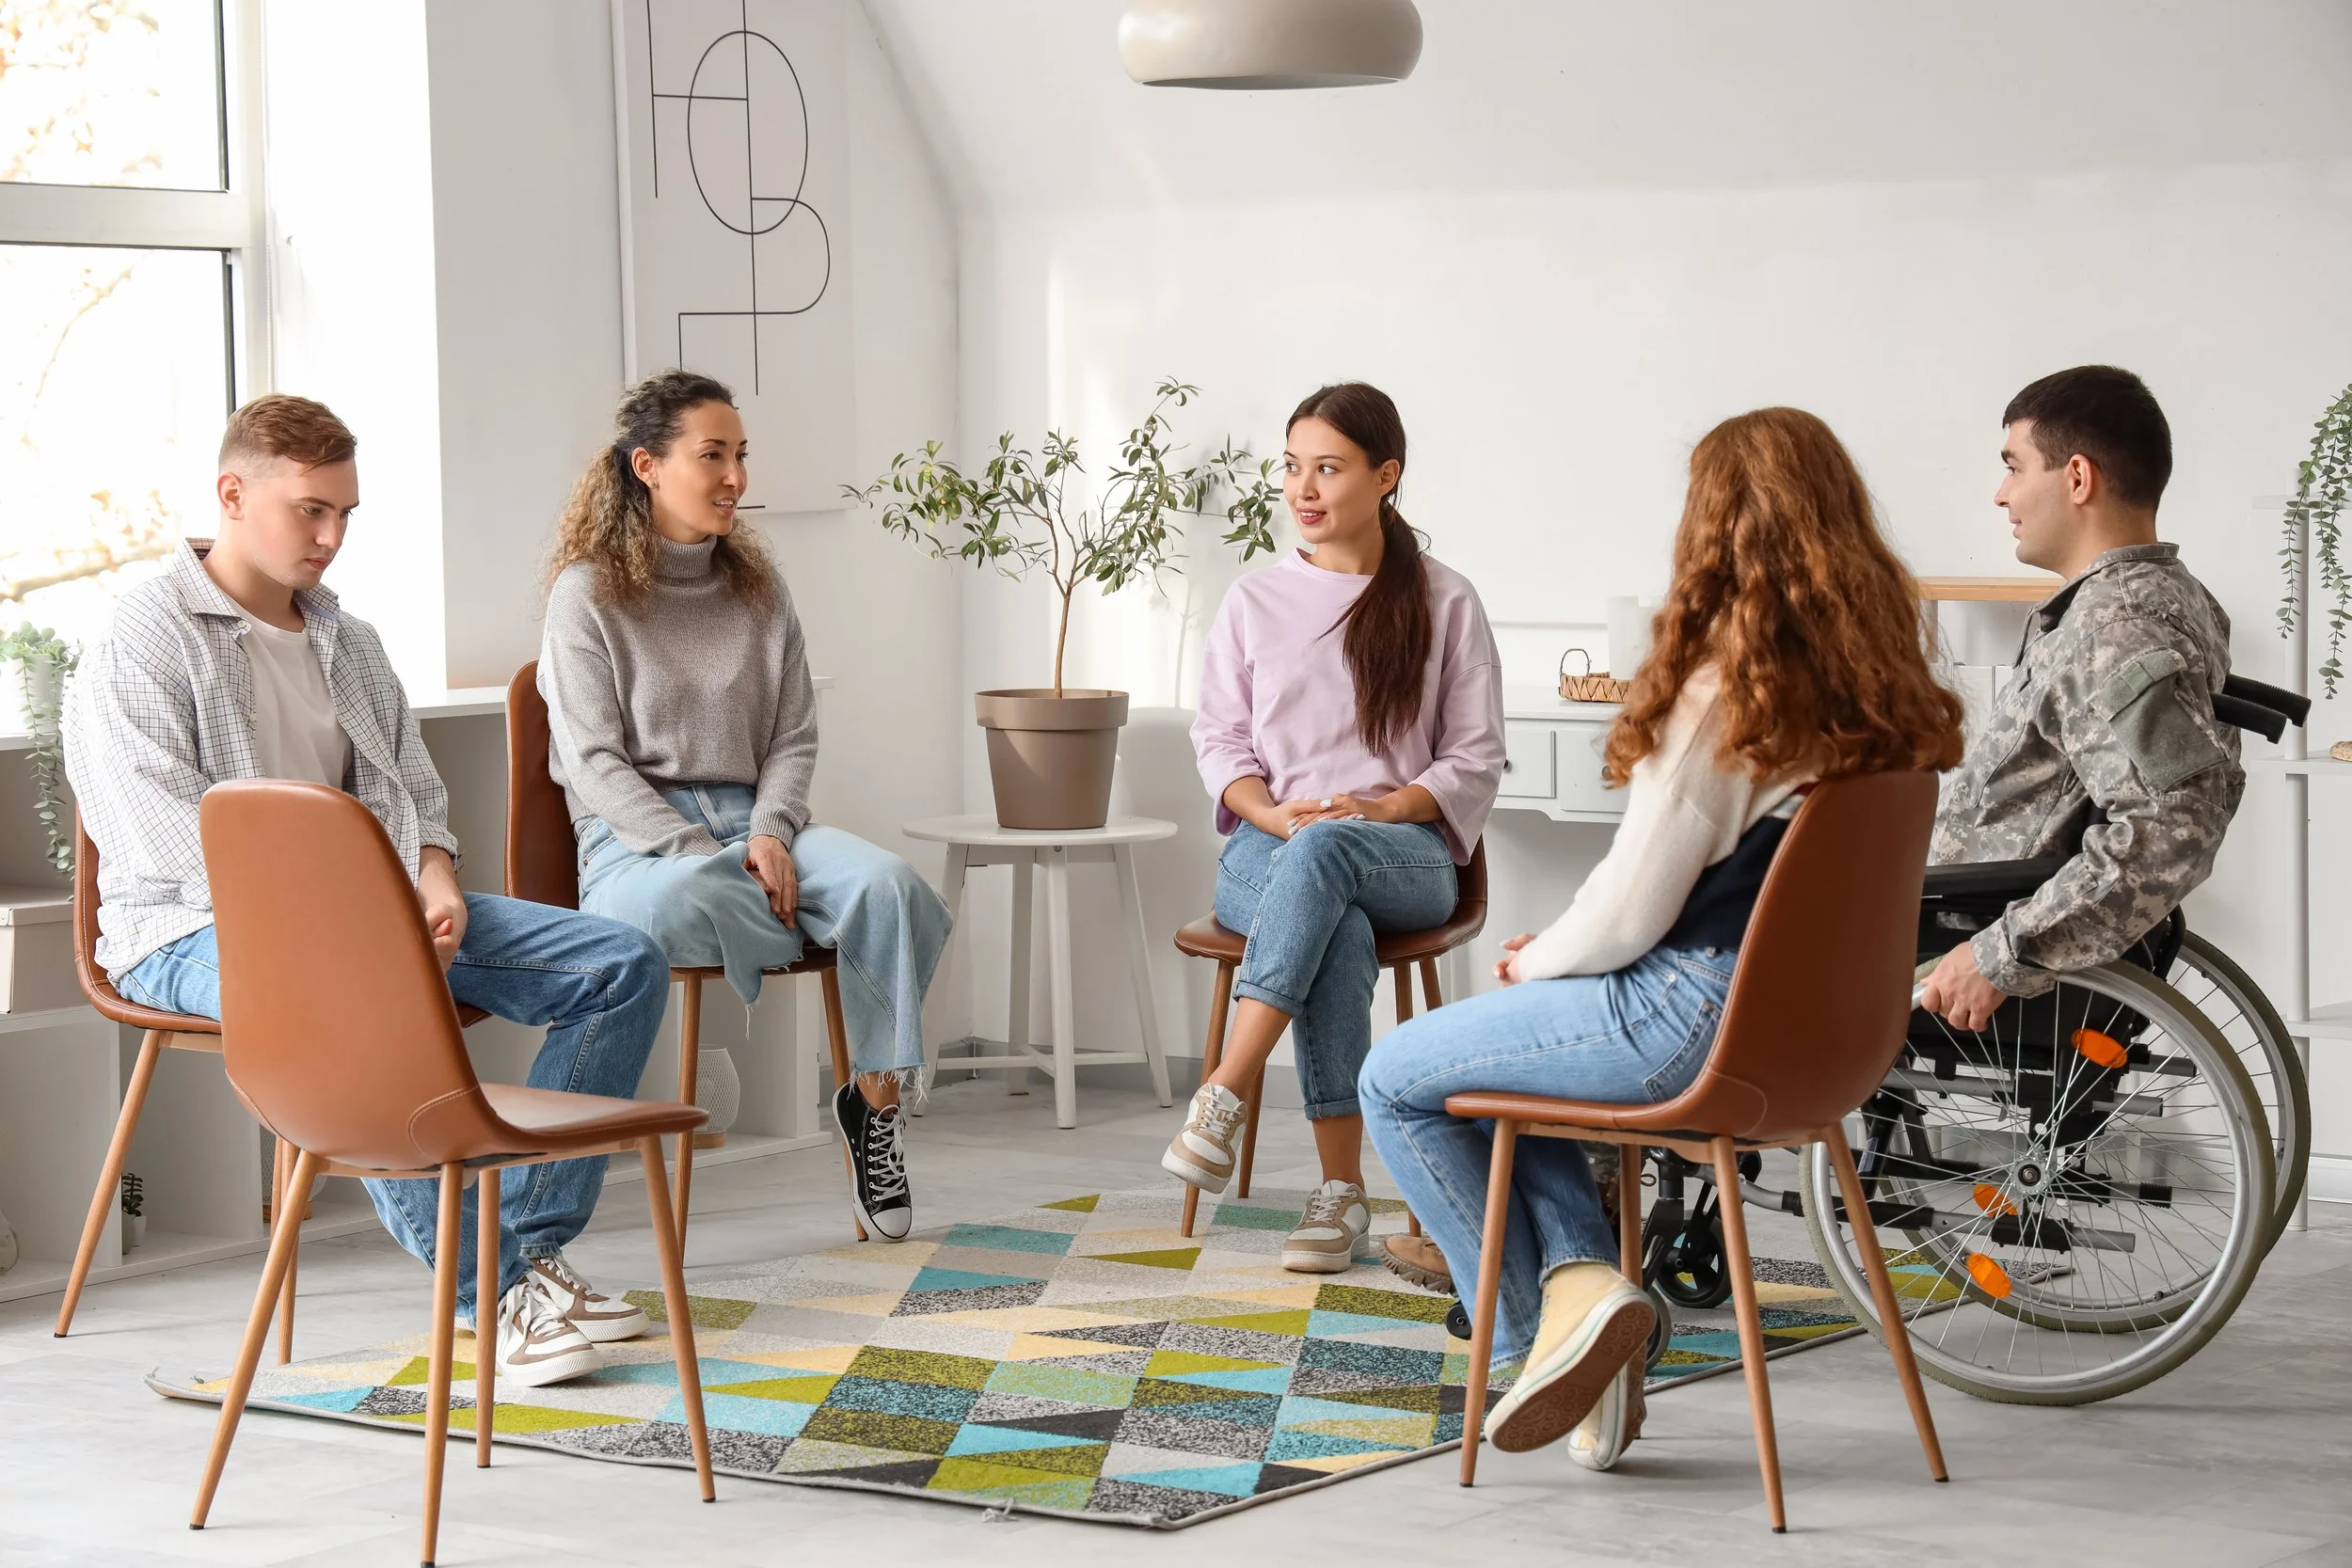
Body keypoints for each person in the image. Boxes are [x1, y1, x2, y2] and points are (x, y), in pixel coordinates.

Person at [1359, 408, 1964, 1470]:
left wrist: (1532, 958)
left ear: (1713, 528)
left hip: (1690, 1014)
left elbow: (1632, 908)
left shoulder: (1724, 689)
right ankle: (1589, 1298)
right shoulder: (1882, 703)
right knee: (1515, 1070)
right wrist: (1556, 967)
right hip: (1829, 1038)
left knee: (1396, 1075)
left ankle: (1531, 1344)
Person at [65, 394, 669, 1387]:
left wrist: (432, 874)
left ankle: (527, 1247)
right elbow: (160, 835)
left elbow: (415, 790)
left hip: (375, 916)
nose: (332, 536)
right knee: (356, 997)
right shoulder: (143, 635)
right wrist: (357, 927)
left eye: (345, 512)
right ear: (231, 493)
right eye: (310, 510)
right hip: (184, 931)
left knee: (619, 961)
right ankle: (492, 1290)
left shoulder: (349, 639)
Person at [539, 370, 951, 1243]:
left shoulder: (759, 590)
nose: (735, 477)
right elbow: (593, 762)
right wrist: (700, 849)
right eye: (712, 455)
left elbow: (794, 737)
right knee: (685, 901)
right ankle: (799, 919)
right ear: (647, 465)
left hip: (762, 824)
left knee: (889, 888)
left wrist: (767, 833)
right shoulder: (586, 595)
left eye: (741, 456)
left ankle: (873, 1105)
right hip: (638, 843)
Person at [1166, 381, 1505, 1275]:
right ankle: (1339, 1194)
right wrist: (1272, 812)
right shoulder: (1254, 601)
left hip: (1405, 854)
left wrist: (1385, 806)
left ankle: (1225, 1089)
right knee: (1331, 916)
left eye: (1329, 468)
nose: (1303, 489)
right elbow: (1220, 741)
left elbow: (1473, 756)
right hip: (1265, 850)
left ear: (1385, 475)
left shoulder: (1445, 598)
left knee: (1329, 857)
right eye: (1291, 468)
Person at [1917, 365, 2242, 1031]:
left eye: (2015, 466)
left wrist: (2000, 953)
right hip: (1952, 911)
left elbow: (2173, 825)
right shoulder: (2170, 595)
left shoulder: (2115, 627)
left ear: (2076, 477)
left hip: (1956, 938)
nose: (2001, 494)